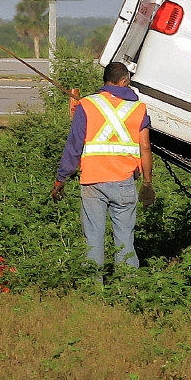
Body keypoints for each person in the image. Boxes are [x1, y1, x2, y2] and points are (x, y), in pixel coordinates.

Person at [52, 62, 155, 280]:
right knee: (125, 238)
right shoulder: (139, 109)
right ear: (124, 81)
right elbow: (145, 147)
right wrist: (147, 182)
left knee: (93, 238)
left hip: (92, 183)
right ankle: (126, 290)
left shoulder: (88, 105)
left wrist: (61, 179)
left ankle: (93, 292)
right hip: (125, 183)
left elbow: (74, 145)